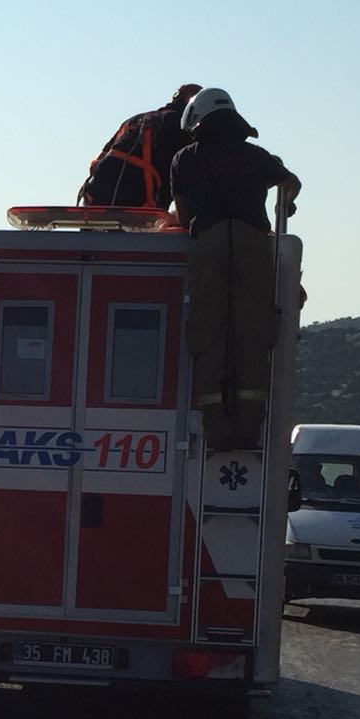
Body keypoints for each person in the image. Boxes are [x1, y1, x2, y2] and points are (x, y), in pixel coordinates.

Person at [169, 88, 301, 451]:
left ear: (197, 120)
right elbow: (291, 182)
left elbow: (183, 213)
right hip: (254, 244)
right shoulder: (255, 155)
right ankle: (248, 430)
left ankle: (218, 431)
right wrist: (286, 204)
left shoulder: (184, 158)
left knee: (210, 332)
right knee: (252, 332)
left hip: (208, 242)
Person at [77, 85, 201, 210]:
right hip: (135, 198)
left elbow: (99, 159)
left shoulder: (134, 120)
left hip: (95, 193)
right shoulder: (182, 127)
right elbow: (183, 174)